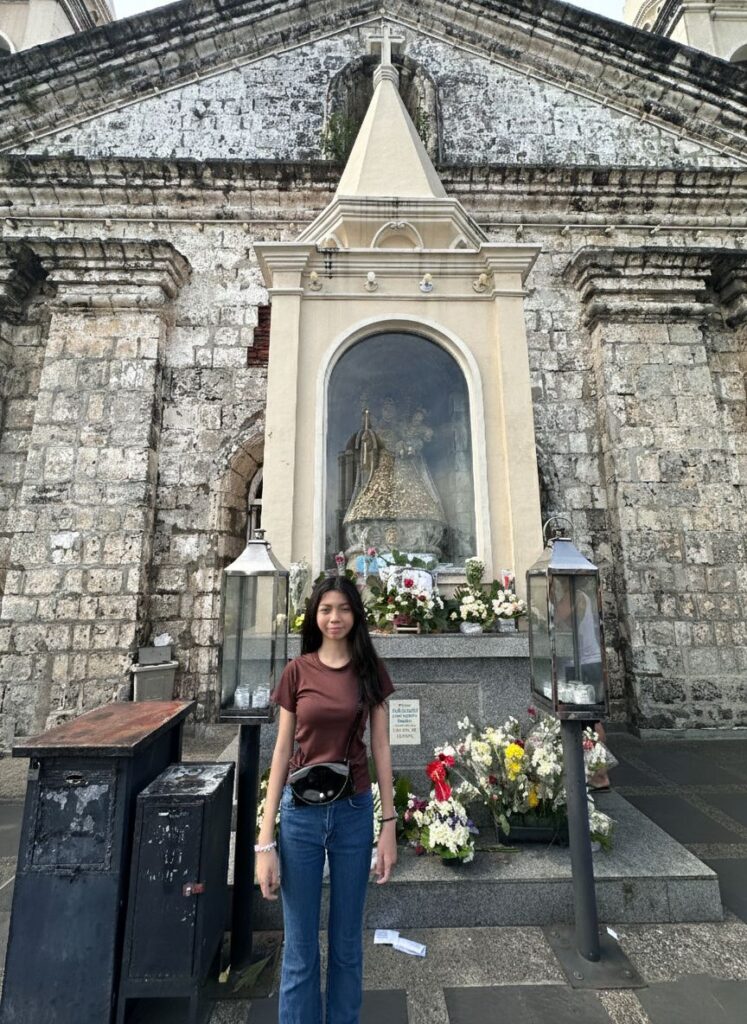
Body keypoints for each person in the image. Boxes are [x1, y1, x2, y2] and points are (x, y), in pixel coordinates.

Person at [255, 575, 397, 1024]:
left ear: (356, 615)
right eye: (325, 609)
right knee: (298, 947)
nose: (334, 618)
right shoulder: (298, 671)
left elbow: (380, 747)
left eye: (343, 609)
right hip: (300, 816)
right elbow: (281, 751)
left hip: (353, 812)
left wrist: (388, 825)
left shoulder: (370, 670)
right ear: (314, 616)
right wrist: (264, 840)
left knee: (346, 943)